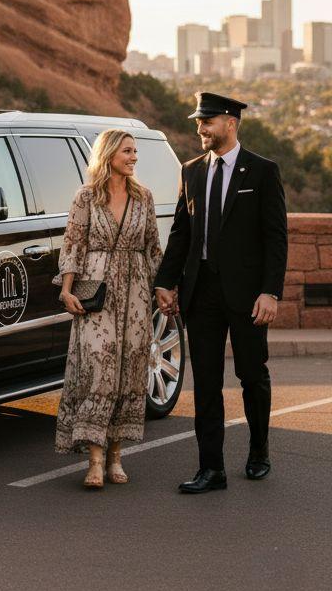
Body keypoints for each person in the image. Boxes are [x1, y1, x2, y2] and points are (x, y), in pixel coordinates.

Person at [154, 91, 287, 494]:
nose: (200, 128)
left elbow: (275, 236)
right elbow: (181, 232)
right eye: (198, 121)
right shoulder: (191, 170)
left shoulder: (262, 171)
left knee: (252, 376)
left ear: (231, 123)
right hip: (201, 293)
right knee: (207, 383)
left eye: (207, 121)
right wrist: (165, 280)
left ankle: (259, 452)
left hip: (248, 296)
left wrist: (270, 292)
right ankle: (211, 469)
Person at [55, 128, 163, 488]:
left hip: (135, 295)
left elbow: (152, 247)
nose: (133, 157)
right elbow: (73, 244)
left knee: (129, 369)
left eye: (135, 152)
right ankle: (95, 461)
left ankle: (116, 456)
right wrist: (66, 290)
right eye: (127, 151)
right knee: (98, 368)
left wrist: (163, 289)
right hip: (96, 293)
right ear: (109, 154)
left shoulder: (143, 197)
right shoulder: (86, 197)